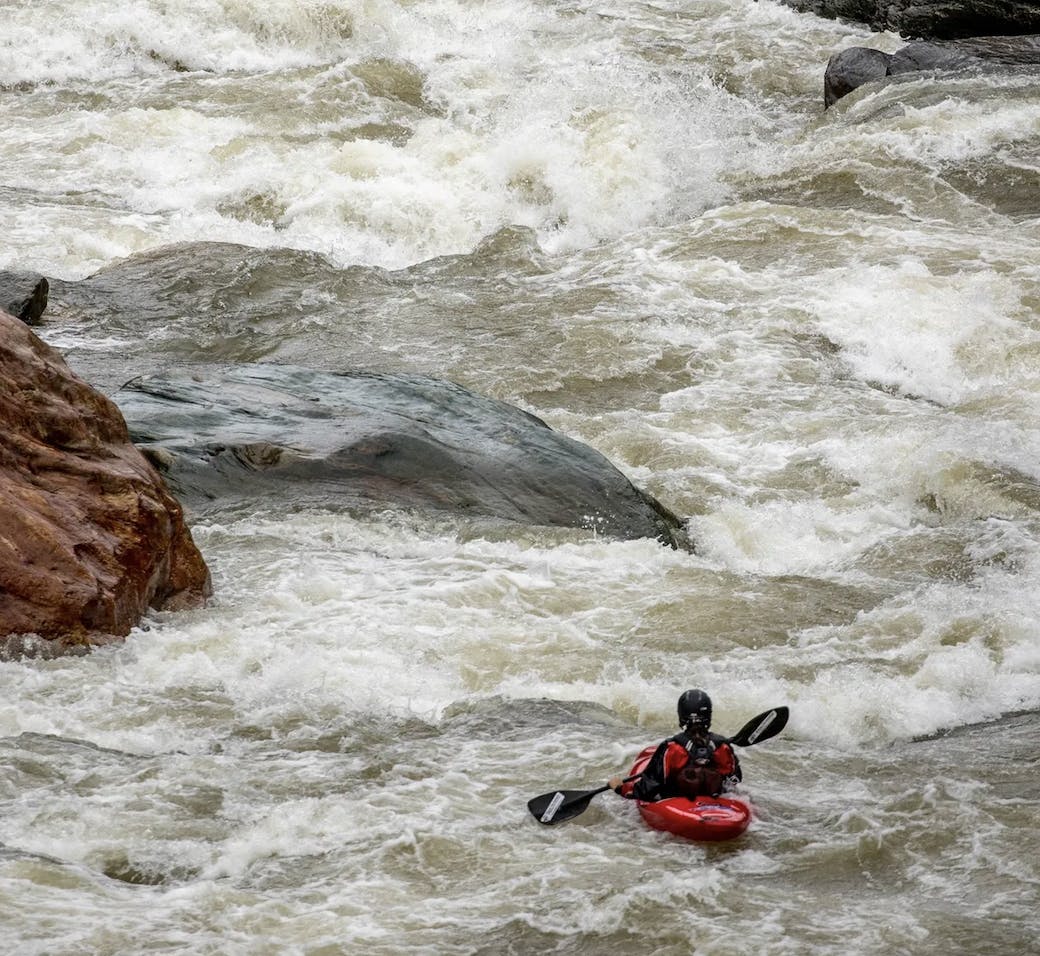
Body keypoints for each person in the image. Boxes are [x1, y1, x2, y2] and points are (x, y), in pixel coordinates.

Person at [607, 689, 742, 801]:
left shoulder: (671, 748)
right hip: (714, 802)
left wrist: (620, 788)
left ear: (681, 716)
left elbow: (648, 789)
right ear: (709, 716)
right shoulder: (723, 746)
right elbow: (735, 780)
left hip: (678, 802)